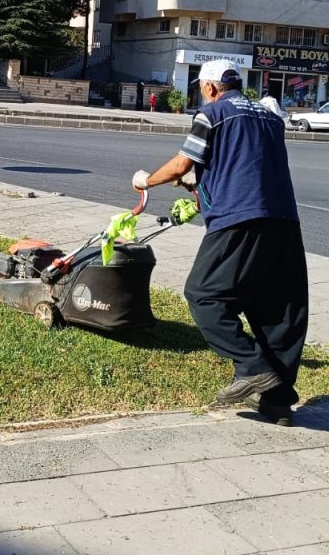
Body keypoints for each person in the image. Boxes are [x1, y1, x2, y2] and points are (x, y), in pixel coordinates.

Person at [131, 59, 307, 426]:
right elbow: (245, 164)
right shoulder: (268, 116)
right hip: (284, 221)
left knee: (204, 294)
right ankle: (278, 403)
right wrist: (198, 183)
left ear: (210, 87)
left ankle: (251, 367)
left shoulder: (212, 114)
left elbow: (181, 165)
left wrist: (147, 181)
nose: (201, 93)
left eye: (200, 88)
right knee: (276, 311)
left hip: (239, 220)